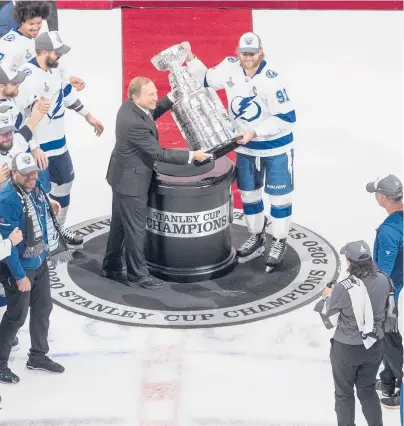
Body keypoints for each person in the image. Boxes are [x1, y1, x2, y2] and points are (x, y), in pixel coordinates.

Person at [182, 33, 296, 272]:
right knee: (249, 195)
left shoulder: (274, 79)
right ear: (237, 51)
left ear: (261, 52)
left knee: (279, 199)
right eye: (244, 53)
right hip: (245, 147)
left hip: (276, 147)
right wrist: (191, 58)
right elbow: (205, 79)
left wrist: (255, 132)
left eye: (252, 53)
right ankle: (256, 235)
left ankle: (279, 240)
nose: (248, 58)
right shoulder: (230, 67)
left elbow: (287, 118)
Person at [102, 76, 210, 290]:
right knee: (134, 230)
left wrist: (170, 98)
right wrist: (192, 156)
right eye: (150, 94)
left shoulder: (130, 108)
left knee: (120, 226)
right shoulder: (133, 124)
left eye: (155, 93)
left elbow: (151, 112)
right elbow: (159, 153)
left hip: (121, 177)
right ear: (135, 97)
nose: (155, 97)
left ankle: (111, 265)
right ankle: (137, 276)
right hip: (131, 183)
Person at [15, 31, 104, 249]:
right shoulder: (26, 77)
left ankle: (58, 230)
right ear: (44, 52)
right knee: (41, 196)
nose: (60, 57)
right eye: (57, 53)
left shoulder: (56, 70)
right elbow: (17, 118)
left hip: (59, 145)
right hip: (38, 151)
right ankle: (44, 241)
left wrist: (88, 116)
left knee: (65, 184)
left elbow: (66, 92)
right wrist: (33, 148)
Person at [0, 152, 70, 384]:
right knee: (15, 317)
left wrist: (51, 204)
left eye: (34, 172)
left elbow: (39, 199)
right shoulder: (7, 200)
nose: (32, 176)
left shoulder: (35, 184)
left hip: (38, 260)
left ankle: (38, 356)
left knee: (43, 309)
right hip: (18, 267)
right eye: (26, 174)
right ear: (13, 174)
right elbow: (6, 246)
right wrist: (20, 277)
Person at [321, 240, 391, 426]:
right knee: (367, 390)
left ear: (349, 262)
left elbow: (329, 318)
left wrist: (329, 295)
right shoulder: (385, 279)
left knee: (344, 394)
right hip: (375, 345)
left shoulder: (343, 287)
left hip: (347, 349)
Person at [367, 174, 403, 409]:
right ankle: (389, 379)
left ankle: (395, 385)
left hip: (392, 293)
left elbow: (384, 274)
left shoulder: (389, 231)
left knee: (388, 339)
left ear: (382, 197)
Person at [0, 1, 83, 91]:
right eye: (31, 24)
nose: (36, 28)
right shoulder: (9, 45)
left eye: (39, 23)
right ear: (22, 22)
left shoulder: (32, 40)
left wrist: (67, 79)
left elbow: (43, 66)